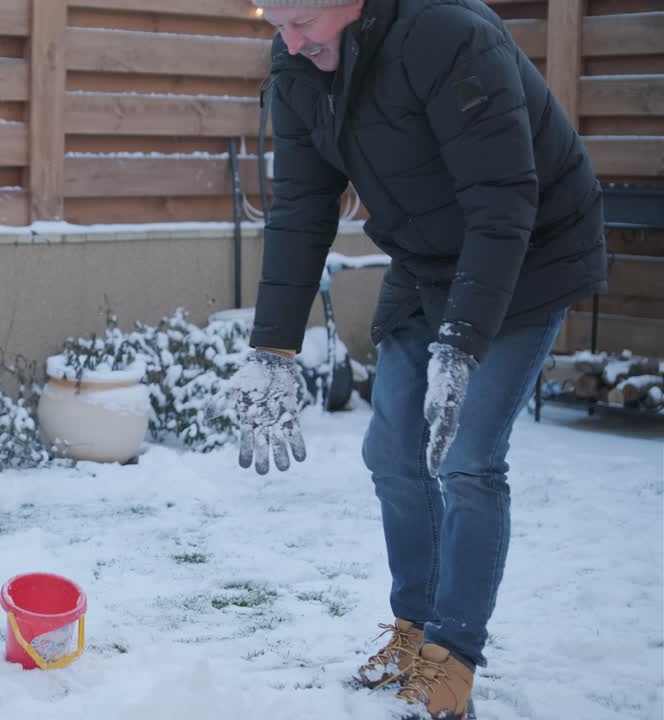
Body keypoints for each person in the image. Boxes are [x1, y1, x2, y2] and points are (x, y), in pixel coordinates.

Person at [232, 1, 607, 718]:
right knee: (391, 451)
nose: (290, 40)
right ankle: (414, 629)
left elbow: (503, 202)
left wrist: (462, 344)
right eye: (273, 19)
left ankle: (453, 659)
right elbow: (303, 207)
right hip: (427, 261)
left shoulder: (448, 37)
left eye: (302, 19)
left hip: (527, 257)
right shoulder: (298, 63)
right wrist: (273, 348)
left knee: (466, 458)